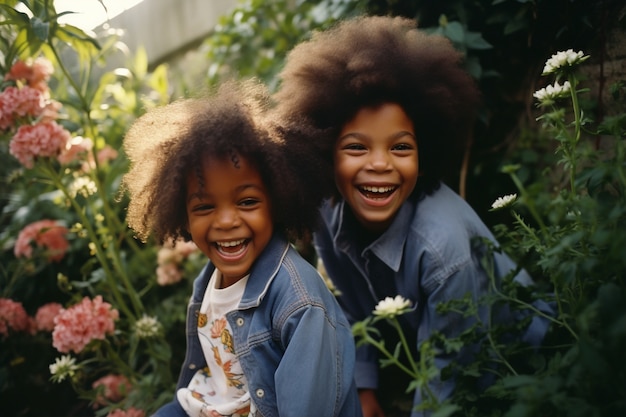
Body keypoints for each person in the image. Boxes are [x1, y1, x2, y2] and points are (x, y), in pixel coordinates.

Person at [273, 15, 551, 417]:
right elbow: (350, 309)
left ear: (425, 156)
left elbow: (451, 378)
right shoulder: (328, 218)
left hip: (521, 362)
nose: (381, 164)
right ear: (324, 153)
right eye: (356, 148)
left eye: (401, 148)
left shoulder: (443, 251)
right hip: (434, 353)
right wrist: (364, 391)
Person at [122, 80, 363, 417]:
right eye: (204, 208)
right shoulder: (209, 279)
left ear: (277, 202)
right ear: (183, 215)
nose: (225, 221)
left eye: (247, 201)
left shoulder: (300, 304)